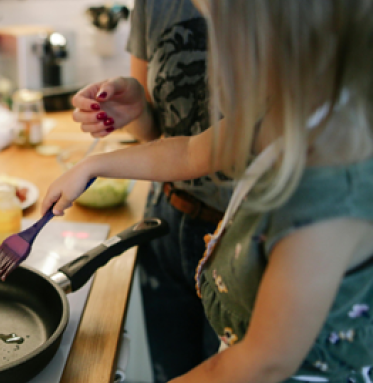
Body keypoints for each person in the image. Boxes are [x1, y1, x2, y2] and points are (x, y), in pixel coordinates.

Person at [44, 0, 373, 382]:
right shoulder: (287, 111)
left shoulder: (326, 198)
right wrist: (92, 165)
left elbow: (263, 363)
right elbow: (189, 151)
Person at [70, 0, 223, 380]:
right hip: (168, 221)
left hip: (243, 232)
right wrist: (134, 110)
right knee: (168, 367)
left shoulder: (284, 16)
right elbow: (169, 139)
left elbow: (267, 358)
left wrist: (94, 165)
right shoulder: (154, 5)